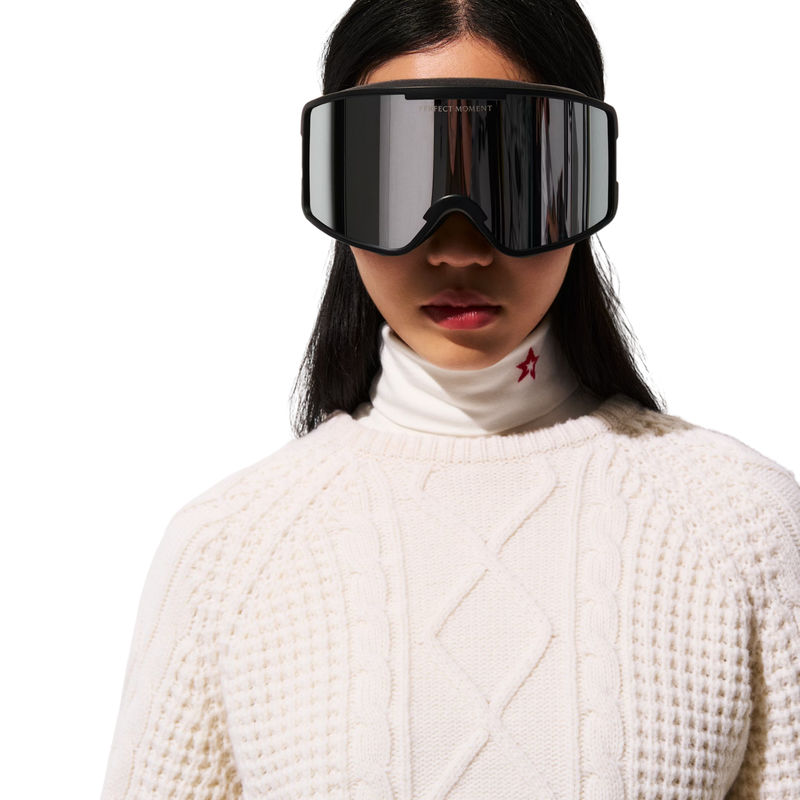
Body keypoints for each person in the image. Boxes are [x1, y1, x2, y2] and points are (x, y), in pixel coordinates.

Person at [100, 1, 800, 798]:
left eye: (513, 174)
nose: (458, 245)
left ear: (584, 182)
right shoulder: (229, 551)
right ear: (339, 188)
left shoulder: (742, 527)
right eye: (401, 179)